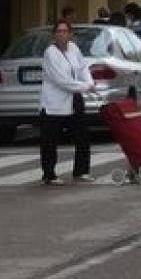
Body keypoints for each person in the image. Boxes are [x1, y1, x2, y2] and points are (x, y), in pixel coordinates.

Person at [38, 19, 95, 186]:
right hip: (54, 103)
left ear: (70, 34)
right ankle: (49, 174)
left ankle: (81, 171)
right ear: (54, 35)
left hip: (74, 98)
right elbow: (61, 80)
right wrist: (85, 87)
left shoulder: (74, 49)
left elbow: (83, 68)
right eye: (58, 31)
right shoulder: (50, 53)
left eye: (65, 31)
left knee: (82, 135)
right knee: (50, 140)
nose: (62, 34)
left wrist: (89, 82)